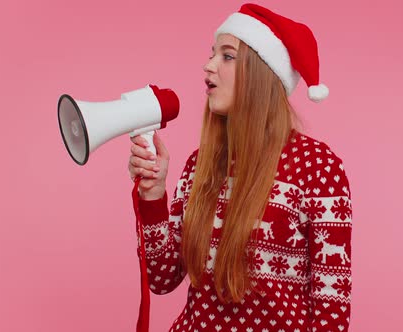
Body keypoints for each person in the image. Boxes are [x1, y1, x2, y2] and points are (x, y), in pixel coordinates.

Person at [128, 3, 352, 331]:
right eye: (211, 54)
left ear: (263, 72)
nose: (208, 66)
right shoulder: (199, 166)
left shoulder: (318, 169)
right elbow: (162, 278)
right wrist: (153, 196)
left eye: (227, 56)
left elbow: (332, 312)